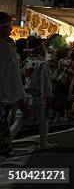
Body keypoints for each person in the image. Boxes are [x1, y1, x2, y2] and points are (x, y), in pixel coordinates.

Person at [9, 37, 55, 150]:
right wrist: (47, 98)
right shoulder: (42, 64)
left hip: (25, 95)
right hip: (38, 97)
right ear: (40, 49)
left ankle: (5, 142)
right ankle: (43, 143)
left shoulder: (26, 62)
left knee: (19, 121)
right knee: (44, 120)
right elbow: (45, 83)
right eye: (44, 47)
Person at [0, 13, 29, 157]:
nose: (11, 30)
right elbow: (12, 79)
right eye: (8, 27)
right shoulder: (5, 49)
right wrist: (22, 105)